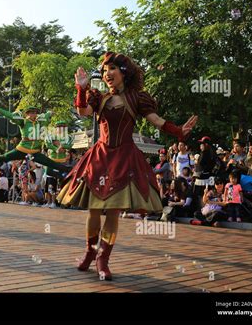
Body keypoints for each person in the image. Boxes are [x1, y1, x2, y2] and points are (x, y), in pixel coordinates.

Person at [57, 52, 197, 280]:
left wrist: (179, 131)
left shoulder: (137, 99)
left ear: (123, 71)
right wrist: (81, 88)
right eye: (103, 71)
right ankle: (90, 252)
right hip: (99, 157)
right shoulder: (99, 98)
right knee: (93, 210)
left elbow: (158, 121)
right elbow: (83, 112)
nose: (107, 74)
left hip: (124, 158)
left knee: (112, 211)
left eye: (111, 69)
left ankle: (103, 259)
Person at [0, 106, 70, 177]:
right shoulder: (23, 122)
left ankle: (72, 170)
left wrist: (51, 113)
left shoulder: (40, 121)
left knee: (50, 163)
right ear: (27, 114)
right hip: (22, 149)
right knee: (3, 157)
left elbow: (48, 114)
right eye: (31, 113)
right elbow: (10, 115)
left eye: (35, 112)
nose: (33, 114)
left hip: (35, 152)